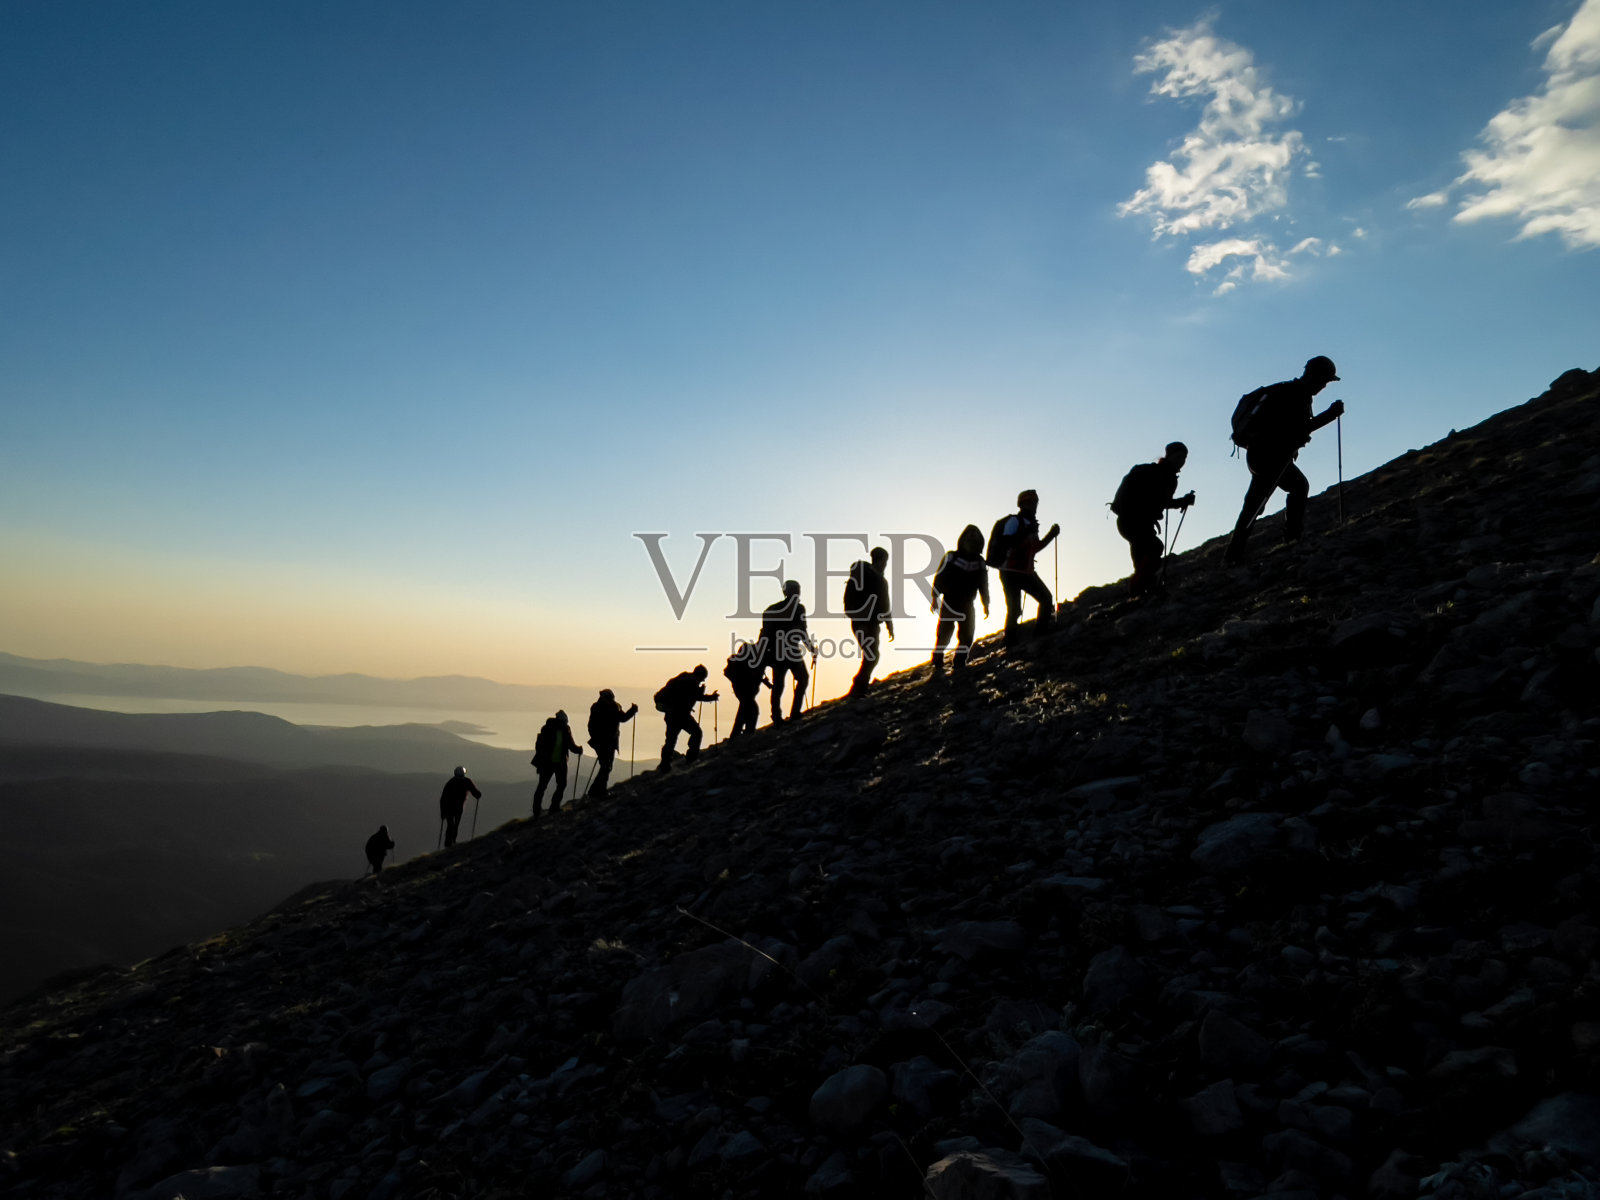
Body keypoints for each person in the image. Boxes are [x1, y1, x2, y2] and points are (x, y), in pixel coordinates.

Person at [1225, 355, 1346, 565]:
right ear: (1315, 376)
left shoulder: (1289, 391)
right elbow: (1298, 430)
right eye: (1324, 381)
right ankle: (1289, 540)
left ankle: (1233, 556)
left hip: (1262, 454)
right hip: (1271, 456)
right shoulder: (1295, 395)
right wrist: (1329, 415)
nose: (1324, 386)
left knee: (1256, 503)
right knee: (1294, 488)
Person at [1112, 442, 1195, 599]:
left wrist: (1182, 501)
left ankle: (1142, 591)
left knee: (1144, 555)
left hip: (1131, 521)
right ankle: (1139, 589)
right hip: (1135, 521)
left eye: (1184, 458)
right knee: (1154, 548)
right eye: (1179, 456)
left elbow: (1161, 502)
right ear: (1169, 456)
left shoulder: (1164, 476)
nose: (1182, 461)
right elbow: (1161, 501)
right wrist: (1182, 502)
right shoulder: (1161, 475)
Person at [996, 490, 1060, 647]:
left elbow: (1035, 548)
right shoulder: (1015, 521)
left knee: (1045, 599)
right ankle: (1010, 640)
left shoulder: (1031, 525)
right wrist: (1028, 533)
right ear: (1022, 504)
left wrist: (1051, 535)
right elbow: (1006, 542)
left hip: (1023, 571)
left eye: (1035, 502)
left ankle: (1038, 632)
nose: (1034, 506)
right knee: (1016, 608)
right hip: (1011, 572)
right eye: (1030, 502)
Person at [929, 524, 990, 674]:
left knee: (967, 636)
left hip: (968, 604)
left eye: (974, 539)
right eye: (969, 538)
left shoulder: (980, 562)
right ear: (962, 540)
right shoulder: (951, 556)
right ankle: (938, 658)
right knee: (944, 633)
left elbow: (983, 584)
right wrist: (934, 597)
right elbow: (939, 577)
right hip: (950, 601)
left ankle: (959, 663)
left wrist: (986, 603)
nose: (971, 541)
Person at [761, 580, 814, 722]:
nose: (798, 591)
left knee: (778, 685)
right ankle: (794, 713)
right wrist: (811, 648)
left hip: (776, 652)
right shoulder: (799, 608)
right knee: (803, 679)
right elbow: (802, 631)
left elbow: (765, 632)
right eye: (797, 589)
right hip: (791, 651)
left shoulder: (773, 609)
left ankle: (777, 717)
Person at [844, 547, 896, 695]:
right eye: (885, 561)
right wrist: (889, 625)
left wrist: (889, 624)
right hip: (864, 624)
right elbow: (885, 605)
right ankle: (859, 687)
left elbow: (884, 605)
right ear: (880, 560)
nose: (885, 565)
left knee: (871, 656)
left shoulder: (873, 579)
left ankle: (860, 687)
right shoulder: (875, 579)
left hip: (867, 623)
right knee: (872, 656)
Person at [656, 665, 719, 770]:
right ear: (700, 676)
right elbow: (695, 696)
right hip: (682, 714)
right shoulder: (691, 682)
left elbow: (690, 696)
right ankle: (691, 759)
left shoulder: (683, 678)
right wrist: (711, 697)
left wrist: (699, 692)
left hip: (671, 714)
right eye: (702, 679)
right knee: (697, 733)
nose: (701, 681)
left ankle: (665, 764)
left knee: (671, 740)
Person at [586, 689, 637, 800]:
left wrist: (632, 711)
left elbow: (591, 726)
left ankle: (595, 791)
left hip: (604, 742)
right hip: (606, 742)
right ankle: (598, 791)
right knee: (606, 766)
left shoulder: (598, 708)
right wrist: (632, 711)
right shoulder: (612, 707)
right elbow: (622, 718)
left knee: (606, 766)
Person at [531, 710, 583, 817]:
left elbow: (539, 746)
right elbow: (571, 745)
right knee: (559, 784)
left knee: (543, 786)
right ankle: (552, 808)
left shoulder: (548, 728)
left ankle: (539, 810)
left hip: (548, 763)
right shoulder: (564, 729)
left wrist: (577, 749)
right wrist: (578, 750)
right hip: (557, 763)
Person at [723, 643, 766, 738]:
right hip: (745, 691)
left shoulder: (743, 661)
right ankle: (746, 733)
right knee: (751, 710)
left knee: (745, 711)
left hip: (742, 690)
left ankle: (739, 734)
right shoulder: (744, 662)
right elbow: (749, 674)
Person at [438, 766, 480, 848]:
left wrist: (443, 813)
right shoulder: (466, 781)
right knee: (454, 825)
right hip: (456, 808)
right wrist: (477, 794)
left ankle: (449, 843)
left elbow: (443, 799)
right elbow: (473, 790)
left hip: (450, 808)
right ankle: (450, 842)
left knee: (452, 825)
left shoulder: (451, 782)